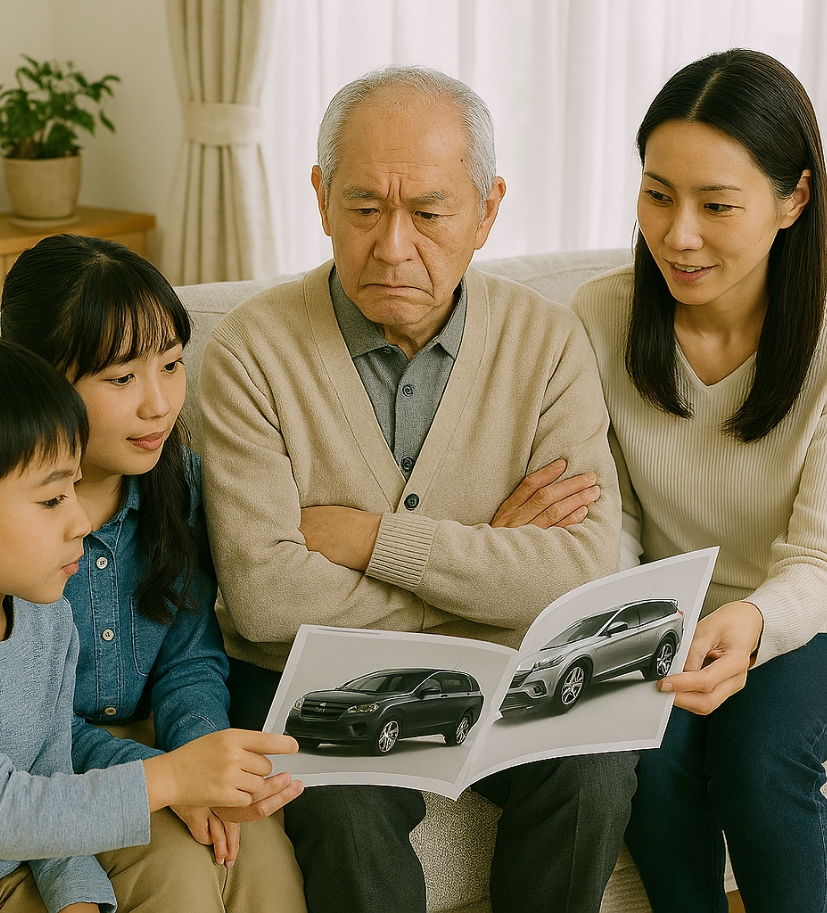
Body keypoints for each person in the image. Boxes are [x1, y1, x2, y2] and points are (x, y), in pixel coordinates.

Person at [200, 65, 638, 913]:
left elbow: (578, 570)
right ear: (321, 198)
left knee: (595, 768)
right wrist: (489, 570)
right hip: (315, 677)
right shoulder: (252, 351)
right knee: (341, 813)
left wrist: (372, 540)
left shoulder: (547, 342)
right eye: (364, 208)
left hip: (505, 673)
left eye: (429, 214)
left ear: (487, 210)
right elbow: (263, 596)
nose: (393, 246)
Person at [571, 48, 827, 913]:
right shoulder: (598, 317)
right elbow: (610, 516)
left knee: (757, 756)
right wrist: (622, 618)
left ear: (792, 200)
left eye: (715, 205)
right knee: (643, 757)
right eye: (657, 195)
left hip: (817, 615)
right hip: (668, 611)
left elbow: (823, 561)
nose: (677, 234)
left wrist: (752, 623)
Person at [0, 334, 301, 913]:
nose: (81, 521)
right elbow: (4, 810)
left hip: (13, 869)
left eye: (73, 489)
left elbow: (53, 779)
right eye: (52, 500)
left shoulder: (45, 619)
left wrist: (77, 898)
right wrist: (170, 778)